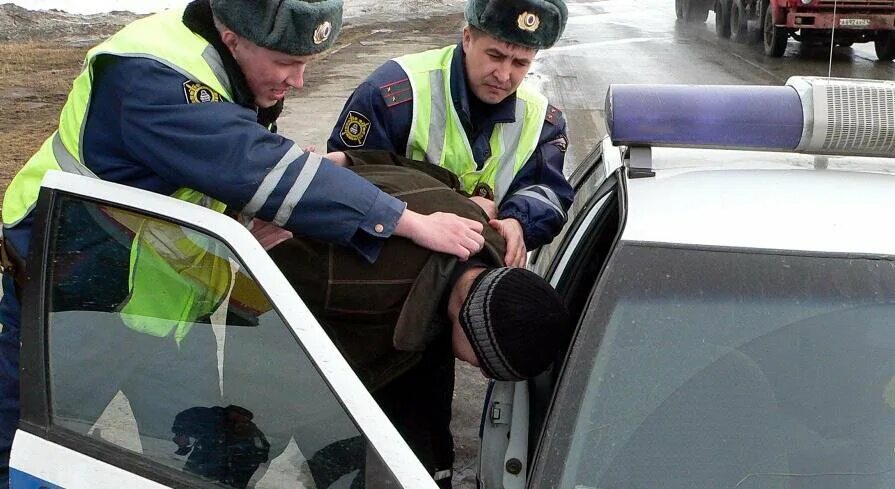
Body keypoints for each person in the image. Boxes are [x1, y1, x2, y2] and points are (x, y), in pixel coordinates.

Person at [0, 0, 485, 484]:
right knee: (24, 445)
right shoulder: (150, 73)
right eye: (286, 63)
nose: (298, 81)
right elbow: (253, 164)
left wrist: (239, 221)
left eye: (305, 64)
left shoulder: (228, 66)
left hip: (163, 310)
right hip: (69, 300)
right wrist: (402, 219)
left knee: (216, 451)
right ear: (233, 37)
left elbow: (196, 175)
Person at [225, 151, 571, 488]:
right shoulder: (349, 280)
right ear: (470, 323)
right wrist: (252, 415)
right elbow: (258, 315)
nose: (479, 372)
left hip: (392, 356)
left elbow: (429, 174)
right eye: (483, 362)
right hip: (319, 381)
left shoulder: (478, 228)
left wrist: (348, 160)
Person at [328, 0, 574, 268]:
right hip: (391, 272)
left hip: (481, 276)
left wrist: (517, 221)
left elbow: (549, 192)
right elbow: (347, 191)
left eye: (520, 63)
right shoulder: (392, 95)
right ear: (467, 39)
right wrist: (462, 209)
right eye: (495, 56)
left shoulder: (542, 121)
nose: (504, 75)